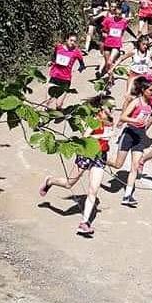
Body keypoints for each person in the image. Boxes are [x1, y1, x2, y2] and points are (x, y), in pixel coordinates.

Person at [38, 96, 113, 235]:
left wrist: (107, 136)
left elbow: (108, 135)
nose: (112, 110)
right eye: (109, 107)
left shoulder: (109, 121)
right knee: (68, 184)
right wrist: (101, 136)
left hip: (100, 156)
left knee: (93, 191)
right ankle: (49, 181)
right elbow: (84, 137)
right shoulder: (93, 120)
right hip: (86, 154)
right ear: (101, 108)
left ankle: (84, 223)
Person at [109, 78, 152, 207]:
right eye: (150, 90)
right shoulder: (136, 102)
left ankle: (127, 195)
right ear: (143, 90)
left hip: (140, 136)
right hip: (129, 134)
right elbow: (123, 117)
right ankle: (101, 159)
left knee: (135, 166)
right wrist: (135, 121)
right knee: (118, 164)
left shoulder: (149, 103)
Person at [44, 32, 85, 110]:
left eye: (75, 41)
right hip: (55, 77)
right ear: (66, 40)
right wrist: (51, 62)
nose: (72, 43)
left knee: (58, 105)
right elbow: (54, 56)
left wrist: (79, 69)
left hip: (65, 80)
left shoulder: (76, 52)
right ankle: (44, 117)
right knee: (47, 102)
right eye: (71, 40)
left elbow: (82, 65)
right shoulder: (59, 47)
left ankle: (60, 110)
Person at [99, 3, 129, 83]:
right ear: (114, 13)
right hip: (107, 44)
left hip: (116, 45)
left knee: (110, 61)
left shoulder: (124, 22)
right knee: (107, 64)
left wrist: (118, 38)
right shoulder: (108, 20)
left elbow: (123, 31)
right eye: (116, 14)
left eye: (119, 14)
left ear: (121, 14)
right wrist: (105, 34)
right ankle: (111, 78)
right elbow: (103, 31)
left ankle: (109, 81)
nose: (117, 16)